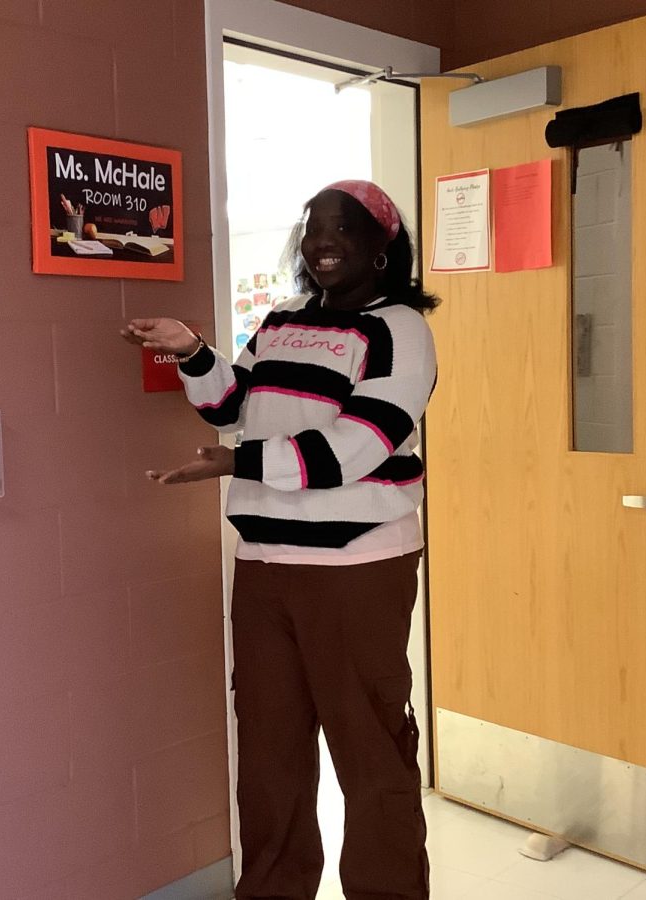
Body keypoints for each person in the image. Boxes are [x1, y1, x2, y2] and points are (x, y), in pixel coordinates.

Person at [121, 180, 439, 900]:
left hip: (357, 568)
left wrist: (239, 462)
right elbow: (235, 405)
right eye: (312, 227)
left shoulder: (400, 330)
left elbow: (357, 446)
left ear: (383, 248)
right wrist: (193, 352)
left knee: (370, 754)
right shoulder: (283, 320)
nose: (321, 241)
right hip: (263, 566)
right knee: (268, 759)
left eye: (342, 229)